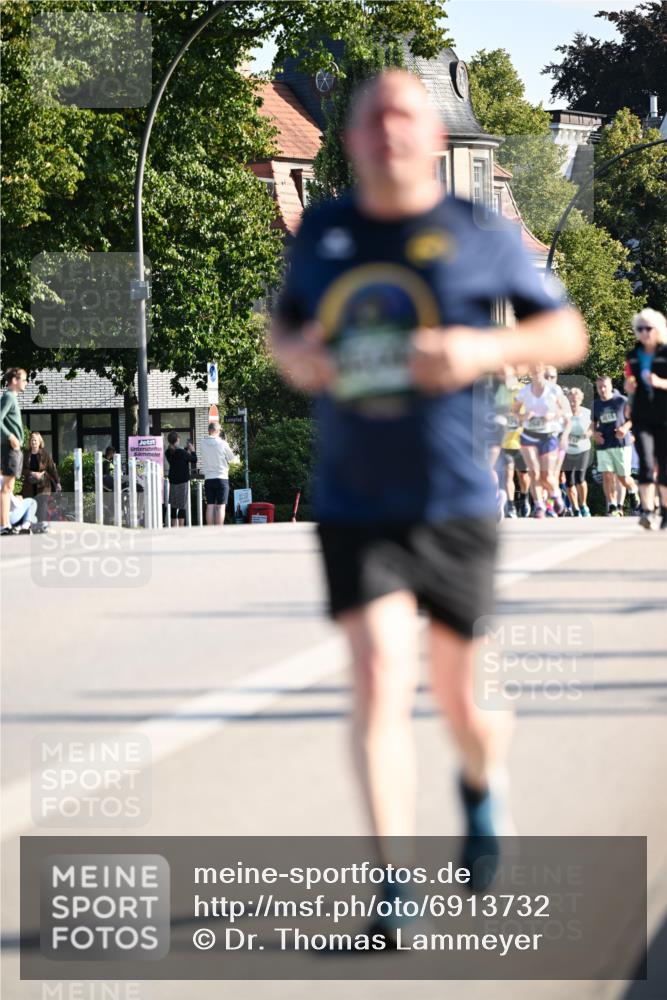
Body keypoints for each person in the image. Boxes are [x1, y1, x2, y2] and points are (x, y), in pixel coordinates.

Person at [271, 70, 588, 940]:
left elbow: (565, 333)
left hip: (452, 496)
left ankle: (480, 786)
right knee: (378, 677)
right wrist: (296, 354)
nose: (386, 132)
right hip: (353, 496)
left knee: (462, 700)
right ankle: (393, 884)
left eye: (402, 117)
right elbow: (287, 323)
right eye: (370, 119)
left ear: (435, 139)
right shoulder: (325, 231)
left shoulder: (477, 232)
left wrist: (478, 349)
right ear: (350, 141)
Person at [623, 308, 667, 530]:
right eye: (639, 329)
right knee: (646, 462)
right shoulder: (632, 355)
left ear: (657, 329)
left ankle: (665, 510)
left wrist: (660, 382)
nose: (643, 333)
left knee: (664, 466)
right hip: (641, 416)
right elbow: (629, 380)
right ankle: (647, 510)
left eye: (648, 328)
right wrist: (628, 388)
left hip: (664, 416)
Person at [515, 364, 571, 518]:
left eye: (552, 376)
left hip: (552, 437)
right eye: (547, 376)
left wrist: (554, 416)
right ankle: (540, 505)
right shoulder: (525, 391)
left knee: (550, 475)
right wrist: (524, 416)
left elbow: (567, 418)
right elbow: (514, 411)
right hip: (530, 435)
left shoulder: (556, 392)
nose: (548, 379)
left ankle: (554, 499)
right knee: (535, 473)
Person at [593, 376, 640, 517]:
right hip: (604, 445)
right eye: (599, 387)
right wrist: (594, 434)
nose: (602, 389)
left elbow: (632, 419)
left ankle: (633, 491)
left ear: (610, 386)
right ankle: (612, 506)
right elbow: (592, 424)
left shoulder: (621, 401)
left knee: (623, 477)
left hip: (621, 444)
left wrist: (624, 428)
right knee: (607, 475)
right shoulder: (596, 405)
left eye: (605, 386)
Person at [1, 367, 28, 536]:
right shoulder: (8, 397)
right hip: (10, 448)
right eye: (24, 379)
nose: (26, 383)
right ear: (14, 380)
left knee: (8, 487)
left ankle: (6, 524)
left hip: (13, 449)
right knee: (7, 487)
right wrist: (10, 436)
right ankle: (4, 525)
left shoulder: (12, 398)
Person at [562, 387, 592, 516]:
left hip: (583, 449)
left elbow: (592, 427)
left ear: (580, 400)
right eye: (570, 401)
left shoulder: (586, 413)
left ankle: (583, 505)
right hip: (567, 450)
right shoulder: (564, 414)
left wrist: (587, 434)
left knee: (580, 478)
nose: (573, 403)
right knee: (569, 481)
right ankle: (575, 509)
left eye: (575, 400)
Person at [199, 423, 235, 526]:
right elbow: (231, 458)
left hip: (208, 478)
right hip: (221, 477)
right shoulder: (223, 443)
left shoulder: (202, 443)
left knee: (210, 506)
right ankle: (219, 529)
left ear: (209, 430)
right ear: (218, 431)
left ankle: (210, 529)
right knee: (220, 506)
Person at [22, 431, 61, 519]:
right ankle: (30, 525)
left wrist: (57, 482)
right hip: (29, 487)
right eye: (32, 440)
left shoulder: (45, 454)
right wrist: (32, 473)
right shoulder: (26, 455)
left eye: (35, 440)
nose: (33, 442)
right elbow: (21, 470)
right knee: (30, 511)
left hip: (43, 487)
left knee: (42, 510)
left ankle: (42, 525)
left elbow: (52, 469)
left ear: (39, 442)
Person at [164, 431, 197, 527]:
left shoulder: (168, 452)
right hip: (183, 481)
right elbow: (194, 459)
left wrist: (186, 449)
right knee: (182, 506)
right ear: (177, 439)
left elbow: (179, 455)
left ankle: (174, 527)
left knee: (174, 505)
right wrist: (193, 450)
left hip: (173, 481)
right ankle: (181, 528)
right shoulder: (182, 452)